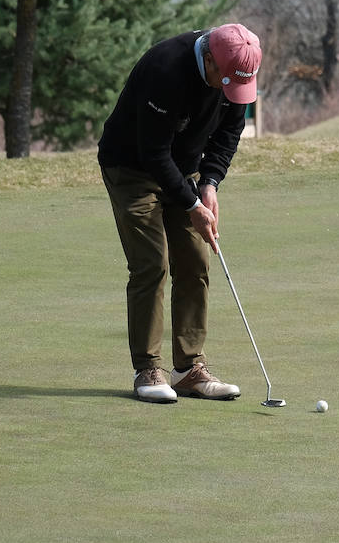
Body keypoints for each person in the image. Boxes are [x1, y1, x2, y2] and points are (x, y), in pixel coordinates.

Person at [98, 24, 262, 402]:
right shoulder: (166, 69)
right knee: (152, 263)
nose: (228, 91)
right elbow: (153, 152)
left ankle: (188, 369)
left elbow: (228, 135)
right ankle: (147, 369)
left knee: (194, 261)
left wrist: (209, 184)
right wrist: (191, 205)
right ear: (208, 58)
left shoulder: (237, 68)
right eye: (223, 81)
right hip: (131, 167)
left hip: (183, 168)